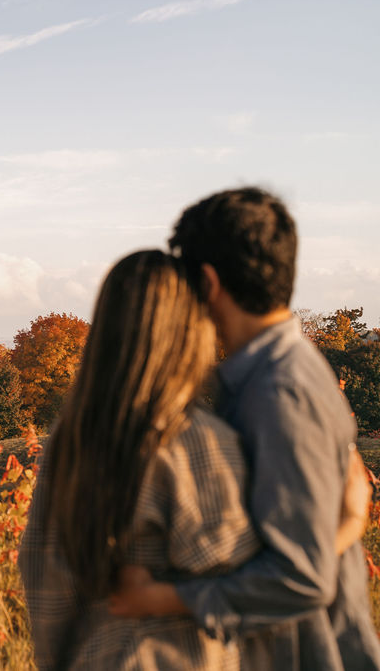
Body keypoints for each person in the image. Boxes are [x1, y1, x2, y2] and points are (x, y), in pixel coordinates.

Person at [108, 187, 380, 669]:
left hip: (310, 654)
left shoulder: (278, 393)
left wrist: (158, 599)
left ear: (208, 282)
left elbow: (302, 576)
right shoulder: (273, 375)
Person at [17, 249, 264, 669]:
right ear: (189, 331)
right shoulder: (197, 443)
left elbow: (44, 578)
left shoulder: (72, 437)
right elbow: (248, 593)